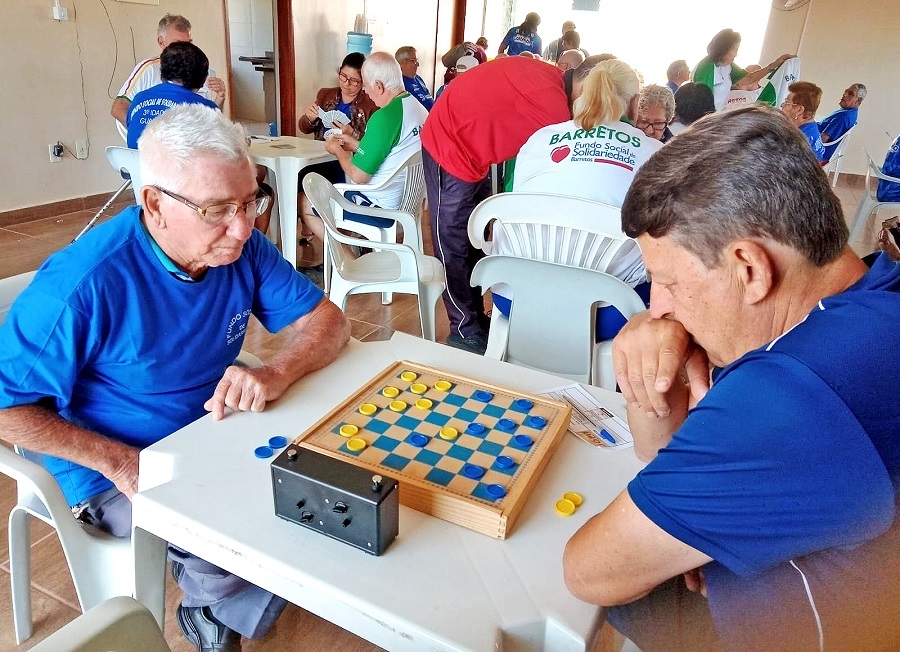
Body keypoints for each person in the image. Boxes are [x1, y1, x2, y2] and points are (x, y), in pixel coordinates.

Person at [0, 104, 351, 652]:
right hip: (110, 463)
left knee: (324, 492)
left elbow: (329, 321)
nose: (244, 227)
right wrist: (118, 462)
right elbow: (5, 409)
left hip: (209, 428)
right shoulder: (81, 284)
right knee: (246, 529)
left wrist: (279, 371)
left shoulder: (240, 249)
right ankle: (211, 610)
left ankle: (238, 591)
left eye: (250, 200)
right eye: (217, 210)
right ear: (155, 205)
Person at [562, 104, 900, 652]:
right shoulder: (874, 292)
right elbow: (662, 467)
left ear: (749, 268)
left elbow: (590, 569)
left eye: (665, 281)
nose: (659, 309)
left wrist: (685, 536)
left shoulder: (794, 394)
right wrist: (663, 373)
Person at [421, 55, 601, 353]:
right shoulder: (553, 106)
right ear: (585, 85)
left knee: (474, 239)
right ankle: (462, 328)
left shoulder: (551, 78)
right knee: (451, 240)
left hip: (474, 144)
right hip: (449, 142)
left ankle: (476, 317)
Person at [499, 59, 662, 339]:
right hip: (606, 312)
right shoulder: (655, 154)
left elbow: (510, 203)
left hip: (515, 297)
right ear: (635, 103)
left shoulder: (540, 138)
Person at [300, 52, 428, 247]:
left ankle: (346, 262)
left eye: (365, 85)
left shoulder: (384, 117)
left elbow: (358, 175)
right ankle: (353, 252)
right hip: (408, 204)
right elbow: (389, 154)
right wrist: (353, 143)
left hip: (379, 208)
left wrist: (338, 150)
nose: (365, 92)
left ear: (378, 86)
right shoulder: (417, 108)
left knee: (305, 202)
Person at [111, 14, 225, 139]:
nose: (185, 50)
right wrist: (148, 137)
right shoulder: (149, 69)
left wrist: (219, 98)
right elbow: (118, 108)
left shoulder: (199, 68)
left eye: (188, 44)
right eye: (178, 44)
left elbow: (210, 121)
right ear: (161, 42)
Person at [296, 51, 378, 195]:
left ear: (363, 81)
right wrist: (310, 118)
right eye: (343, 76)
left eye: (354, 80)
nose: (347, 84)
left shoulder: (370, 104)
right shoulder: (325, 95)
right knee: (298, 176)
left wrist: (353, 134)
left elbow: (373, 143)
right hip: (320, 156)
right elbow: (303, 128)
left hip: (349, 162)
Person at [126, 42, 218, 149]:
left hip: (135, 164)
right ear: (203, 78)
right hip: (178, 164)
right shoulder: (204, 108)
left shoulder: (139, 98)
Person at [692, 28, 793, 110]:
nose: (736, 54)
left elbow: (750, 78)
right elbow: (702, 101)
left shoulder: (729, 65)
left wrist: (774, 65)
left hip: (717, 115)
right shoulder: (706, 68)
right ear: (724, 49)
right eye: (735, 49)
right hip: (704, 117)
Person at [818, 83, 866, 162]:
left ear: (858, 101)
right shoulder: (849, 112)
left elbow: (822, 139)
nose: (845, 94)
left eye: (850, 94)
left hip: (819, 153)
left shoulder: (843, 117)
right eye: (846, 91)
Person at [781, 81, 826, 161]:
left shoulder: (799, 139)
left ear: (799, 110)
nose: (782, 105)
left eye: (787, 102)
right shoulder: (811, 127)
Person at [395, 46, 434, 111]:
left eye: (416, 60)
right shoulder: (399, 84)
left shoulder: (418, 79)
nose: (417, 64)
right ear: (402, 63)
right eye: (413, 60)